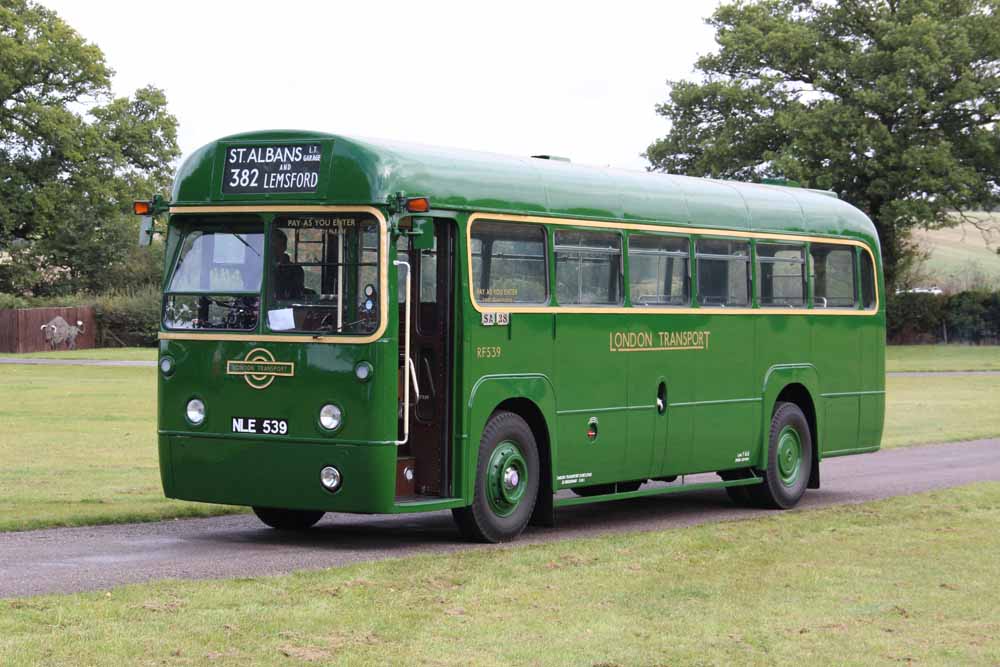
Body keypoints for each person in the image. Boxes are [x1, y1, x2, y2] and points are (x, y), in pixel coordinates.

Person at [271, 229, 305, 300]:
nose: (273, 251)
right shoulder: (260, 268)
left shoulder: (295, 270)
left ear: (284, 247)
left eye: (276, 247)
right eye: (271, 247)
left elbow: (295, 294)